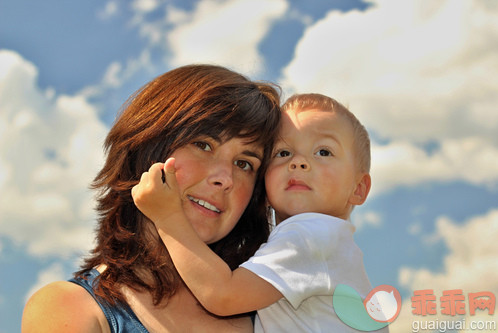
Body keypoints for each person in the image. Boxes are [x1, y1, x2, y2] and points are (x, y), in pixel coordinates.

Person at [21, 64, 282, 332]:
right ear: (147, 146)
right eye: (203, 145)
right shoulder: (70, 307)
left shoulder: (279, 313)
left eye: (244, 164)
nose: (225, 178)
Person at [132, 93, 382, 332]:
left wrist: (167, 217)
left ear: (358, 189)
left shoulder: (311, 234)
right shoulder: (329, 244)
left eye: (323, 152)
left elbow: (222, 295)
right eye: (283, 153)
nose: (299, 162)